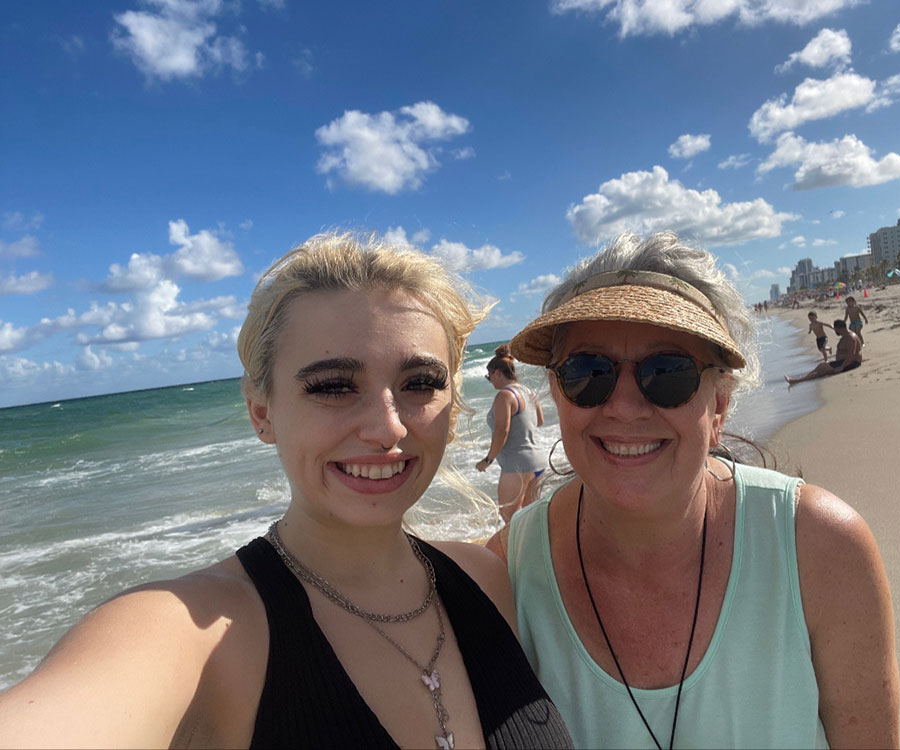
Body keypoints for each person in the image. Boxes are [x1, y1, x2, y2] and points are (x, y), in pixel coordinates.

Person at [0, 232, 572, 750]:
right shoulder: (191, 630)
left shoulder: (486, 579)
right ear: (261, 412)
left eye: (420, 383)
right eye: (332, 386)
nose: (389, 426)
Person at [487, 232, 899, 749]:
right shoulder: (504, 574)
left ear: (721, 402)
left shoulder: (820, 549)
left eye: (668, 372)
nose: (625, 407)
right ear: (557, 393)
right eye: (589, 372)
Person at [475, 345, 547, 524]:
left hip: (517, 465)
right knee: (530, 520)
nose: (490, 381)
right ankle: (532, 552)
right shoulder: (527, 392)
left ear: (496, 372)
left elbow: (502, 431)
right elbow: (540, 421)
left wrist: (488, 460)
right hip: (537, 462)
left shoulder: (505, 396)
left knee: (510, 520)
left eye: (489, 377)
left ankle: (514, 553)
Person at [785, 319, 862, 386]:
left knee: (823, 370)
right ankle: (802, 378)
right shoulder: (845, 335)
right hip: (844, 361)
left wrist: (842, 367)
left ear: (839, 329)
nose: (835, 331)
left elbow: (851, 354)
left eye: (835, 329)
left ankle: (797, 381)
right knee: (821, 366)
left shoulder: (850, 337)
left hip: (851, 362)